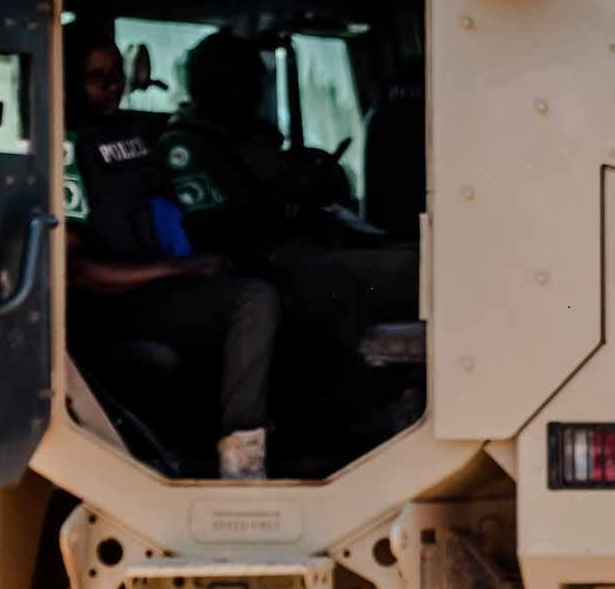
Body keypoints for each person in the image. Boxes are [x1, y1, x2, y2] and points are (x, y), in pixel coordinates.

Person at [159, 30, 419, 419]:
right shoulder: (186, 148)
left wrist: (317, 179)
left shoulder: (251, 140)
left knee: (415, 261)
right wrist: (288, 194)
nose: (256, 94)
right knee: (400, 274)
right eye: (247, 82)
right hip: (259, 265)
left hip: (307, 250)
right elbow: (214, 231)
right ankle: (361, 413)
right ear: (215, 86)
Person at [63, 26, 281, 479]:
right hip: (107, 307)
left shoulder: (137, 135)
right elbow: (75, 273)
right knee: (252, 299)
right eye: (97, 77)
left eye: (118, 75)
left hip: (155, 290)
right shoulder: (68, 149)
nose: (113, 86)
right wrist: (176, 268)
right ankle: (243, 459)